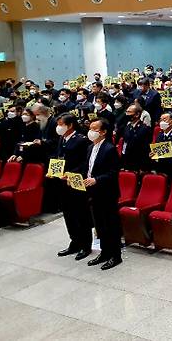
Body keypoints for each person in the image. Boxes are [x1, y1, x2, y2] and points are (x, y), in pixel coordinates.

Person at [53, 114, 93, 260]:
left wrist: (72, 173)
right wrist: (54, 171)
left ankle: (85, 245)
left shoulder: (81, 140)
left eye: (61, 124)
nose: (58, 127)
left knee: (80, 214)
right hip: (63, 182)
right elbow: (59, 157)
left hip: (76, 181)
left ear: (70, 125)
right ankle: (74, 241)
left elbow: (85, 162)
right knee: (68, 214)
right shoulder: (62, 138)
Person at [84, 119, 122, 270]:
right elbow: (88, 169)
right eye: (90, 128)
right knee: (100, 225)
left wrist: (96, 180)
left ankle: (115, 255)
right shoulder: (90, 148)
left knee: (110, 225)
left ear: (103, 131)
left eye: (94, 128)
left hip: (107, 193)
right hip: (94, 192)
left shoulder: (109, 149)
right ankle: (105, 252)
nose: (90, 131)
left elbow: (113, 173)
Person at [121, 104, 152, 172]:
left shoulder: (145, 129)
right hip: (126, 161)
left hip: (137, 164)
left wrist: (143, 167)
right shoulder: (127, 126)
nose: (126, 114)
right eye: (126, 112)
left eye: (129, 112)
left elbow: (145, 149)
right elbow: (124, 145)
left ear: (137, 114)